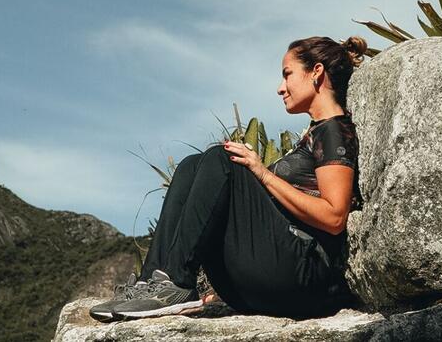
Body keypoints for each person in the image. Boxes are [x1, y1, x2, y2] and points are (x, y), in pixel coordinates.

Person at [89, 35, 367, 321]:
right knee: (192, 165)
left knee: (224, 160)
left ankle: (176, 283)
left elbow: (334, 218)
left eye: (287, 75)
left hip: (305, 278)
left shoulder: (333, 132)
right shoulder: (315, 133)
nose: (280, 88)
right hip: (272, 276)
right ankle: (155, 282)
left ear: (316, 72)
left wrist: (261, 173)